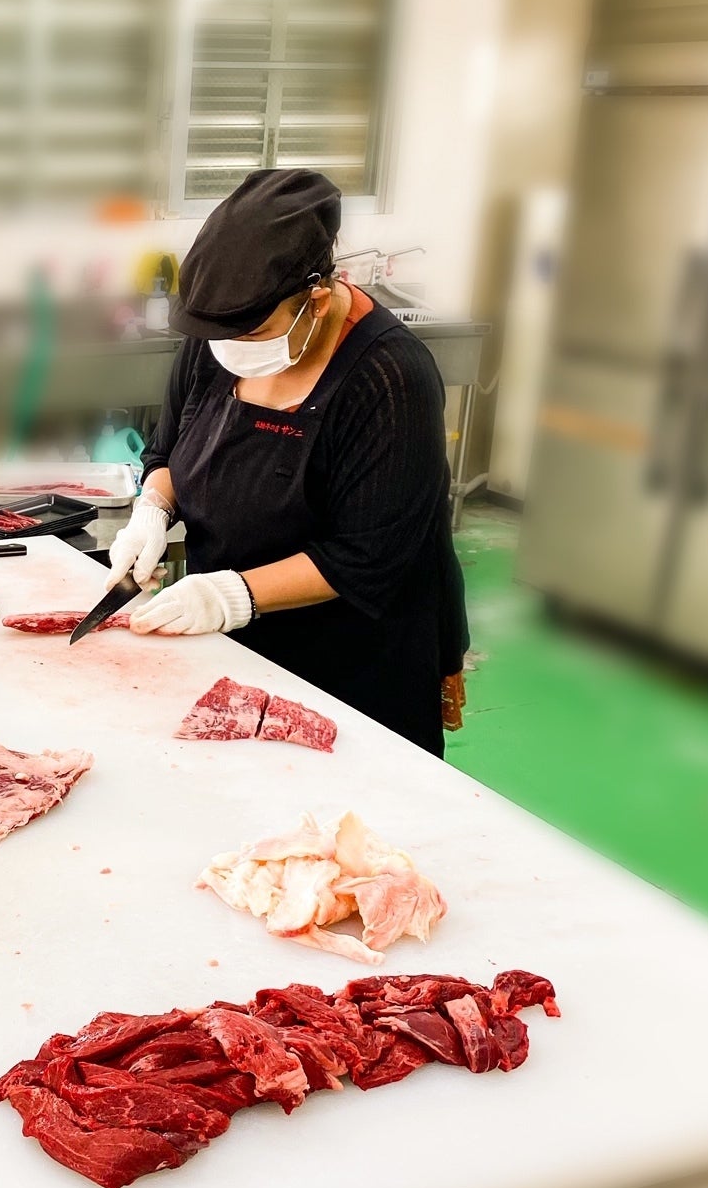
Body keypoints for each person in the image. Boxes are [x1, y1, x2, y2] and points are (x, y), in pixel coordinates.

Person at [105, 168, 467, 755]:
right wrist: (153, 510)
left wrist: (228, 596)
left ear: (315, 302)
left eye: (255, 335)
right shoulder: (219, 333)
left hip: (353, 667)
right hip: (232, 654)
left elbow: (367, 558)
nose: (230, 351)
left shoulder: (390, 378)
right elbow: (167, 451)